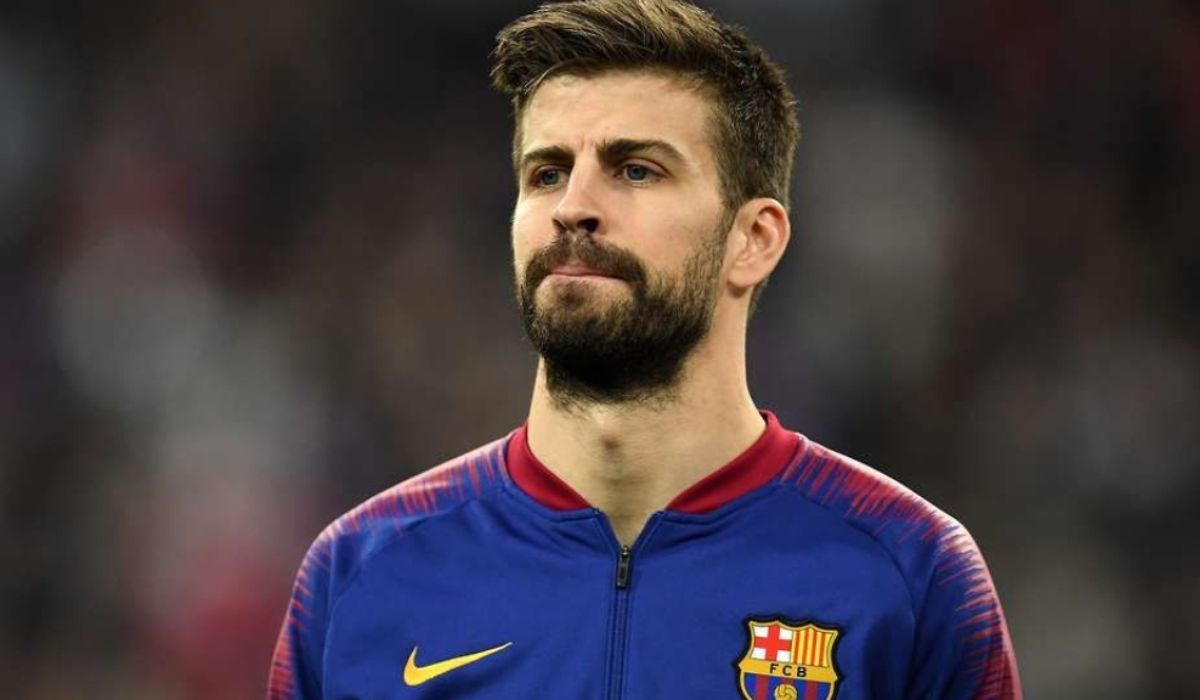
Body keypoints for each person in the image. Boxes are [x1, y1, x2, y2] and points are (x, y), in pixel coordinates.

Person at [268, 1, 1021, 698]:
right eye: (547, 173)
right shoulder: (361, 574)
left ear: (753, 240)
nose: (574, 208)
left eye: (636, 170)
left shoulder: (910, 575)